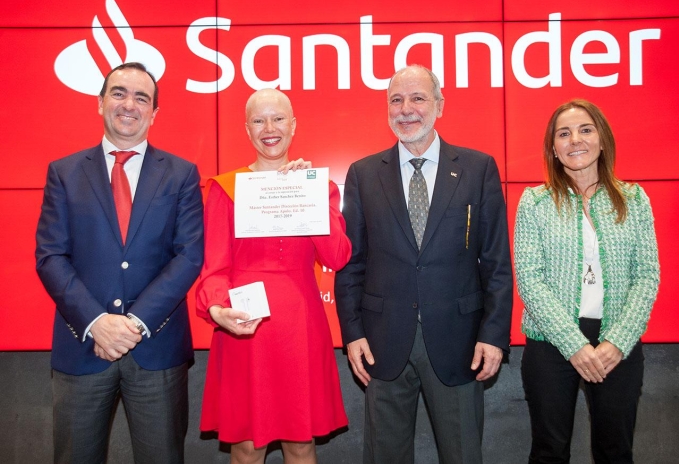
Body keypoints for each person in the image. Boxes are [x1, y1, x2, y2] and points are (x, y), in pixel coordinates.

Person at [334, 65, 513, 464]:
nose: (406, 109)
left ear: (439, 105)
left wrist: (494, 334)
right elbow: (351, 263)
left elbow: (497, 262)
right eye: (396, 100)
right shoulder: (363, 174)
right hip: (382, 342)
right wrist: (353, 333)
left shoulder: (477, 168)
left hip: (460, 341)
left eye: (417, 98)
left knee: (463, 455)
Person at [35, 62, 204, 463]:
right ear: (100, 103)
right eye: (119, 93)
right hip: (82, 346)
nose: (129, 104)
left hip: (157, 350)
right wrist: (97, 322)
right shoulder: (64, 172)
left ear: (154, 113)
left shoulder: (181, 174)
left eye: (141, 98)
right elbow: (50, 255)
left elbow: (188, 256)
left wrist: (135, 323)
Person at [195, 88, 351, 464]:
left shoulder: (318, 187)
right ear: (247, 129)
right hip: (245, 328)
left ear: (293, 125)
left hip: (301, 327)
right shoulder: (225, 189)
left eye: (278, 118)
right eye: (258, 120)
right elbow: (213, 269)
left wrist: (307, 194)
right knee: (247, 447)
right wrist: (217, 309)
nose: (269, 128)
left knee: (301, 444)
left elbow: (337, 256)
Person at [514, 99, 660, 463]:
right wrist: (573, 344)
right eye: (563, 134)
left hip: (617, 344)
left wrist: (618, 340)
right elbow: (530, 280)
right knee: (549, 451)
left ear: (602, 139)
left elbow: (647, 275)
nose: (575, 140)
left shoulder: (634, 199)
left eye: (585, 130)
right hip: (550, 343)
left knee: (616, 452)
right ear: (553, 148)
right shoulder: (534, 202)